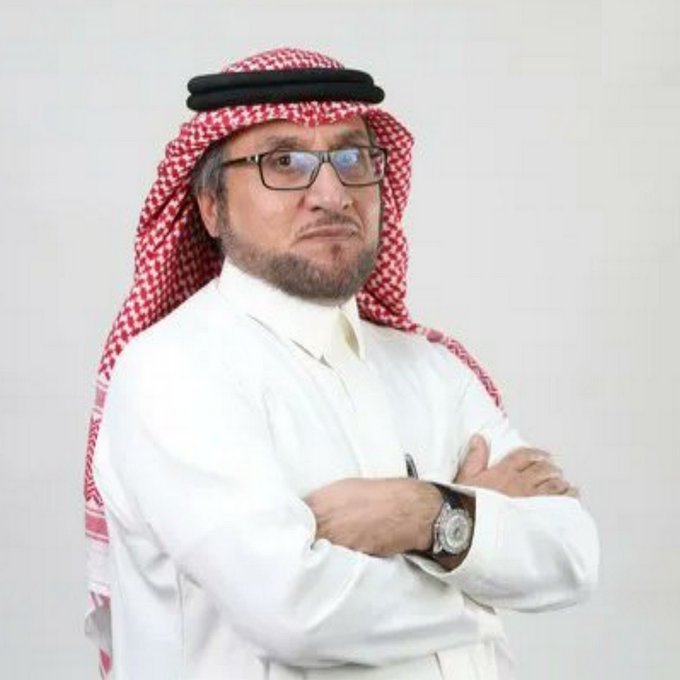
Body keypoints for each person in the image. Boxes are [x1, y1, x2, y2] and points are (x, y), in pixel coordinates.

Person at [84, 47, 599, 680]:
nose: (331, 194)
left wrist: (422, 513)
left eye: (352, 158)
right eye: (284, 162)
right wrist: (479, 557)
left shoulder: (432, 369)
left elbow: (573, 552)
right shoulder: (173, 372)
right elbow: (296, 612)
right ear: (211, 207)